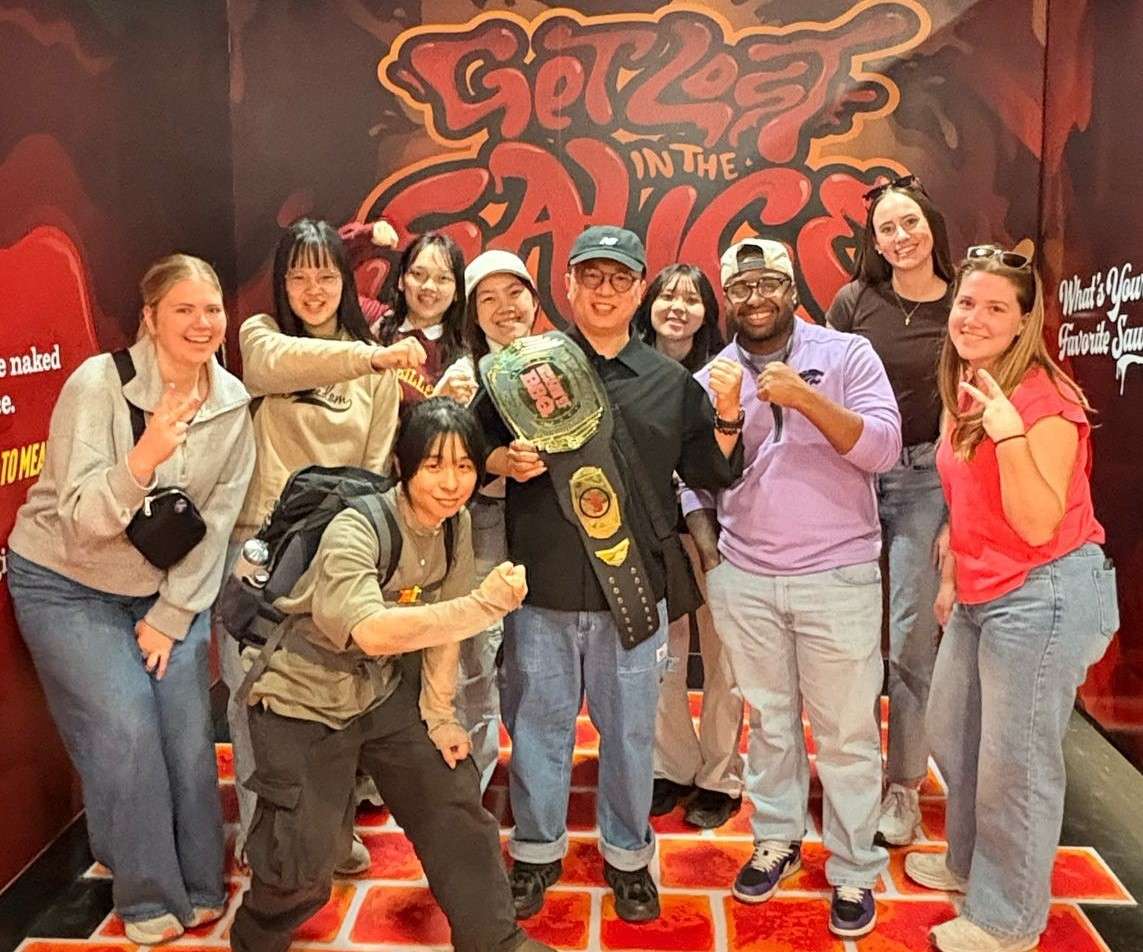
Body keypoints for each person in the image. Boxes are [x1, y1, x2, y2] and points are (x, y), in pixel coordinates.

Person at [476, 226, 745, 923]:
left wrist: (727, 415)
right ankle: (535, 852)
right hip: (539, 588)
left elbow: (713, 473)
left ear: (638, 289)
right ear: (566, 284)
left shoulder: (669, 382)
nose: (604, 290)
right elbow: (468, 453)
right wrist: (500, 463)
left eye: (618, 279)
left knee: (630, 734)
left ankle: (629, 858)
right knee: (537, 727)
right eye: (590, 277)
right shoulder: (522, 368)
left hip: (633, 595)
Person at [228, 397, 553, 952]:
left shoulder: (457, 525)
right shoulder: (357, 529)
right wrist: (484, 606)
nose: (451, 483)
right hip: (301, 702)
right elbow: (371, 630)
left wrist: (441, 715)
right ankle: (255, 936)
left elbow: (442, 632)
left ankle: (494, 940)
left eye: (465, 466)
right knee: (305, 863)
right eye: (434, 465)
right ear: (403, 466)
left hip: (379, 694)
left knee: (453, 804)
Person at [7, 254, 255, 945]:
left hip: (161, 593)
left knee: (182, 725)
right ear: (150, 317)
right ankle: (146, 891)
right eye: (184, 309)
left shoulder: (232, 402)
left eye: (211, 309)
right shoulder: (99, 384)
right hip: (64, 584)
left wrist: (171, 617)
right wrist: (144, 455)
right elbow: (81, 518)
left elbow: (216, 525)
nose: (202, 323)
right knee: (124, 726)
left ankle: (199, 881)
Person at [681, 238, 900, 939]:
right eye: (740, 288)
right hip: (745, 576)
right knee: (770, 722)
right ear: (728, 298)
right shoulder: (711, 375)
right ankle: (774, 837)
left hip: (836, 573)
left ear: (790, 286)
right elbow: (691, 477)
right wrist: (714, 556)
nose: (754, 298)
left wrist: (802, 396)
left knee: (845, 733)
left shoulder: (846, 355)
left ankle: (852, 867)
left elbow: (882, 449)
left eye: (767, 283)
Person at [904, 245, 1118, 952]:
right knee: (954, 734)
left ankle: (1008, 918)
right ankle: (969, 865)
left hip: (1046, 593)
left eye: (997, 307)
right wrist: (949, 581)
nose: (975, 316)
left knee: (1014, 764)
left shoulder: (1042, 400)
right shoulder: (966, 379)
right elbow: (963, 504)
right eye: (967, 302)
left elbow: (1034, 521)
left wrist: (1011, 434)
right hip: (980, 589)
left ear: (1026, 320)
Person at [222, 218, 425, 870]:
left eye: (325, 274)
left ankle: (331, 830)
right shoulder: (261, 338)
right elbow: (272, 366)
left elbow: (371, 476)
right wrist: (372, 355)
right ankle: (266, 834)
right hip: (259, 548)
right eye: (298, 274)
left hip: (334, 553)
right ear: (282, 282)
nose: (312, 288)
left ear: (345, 280)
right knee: (256, 694)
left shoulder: (378, 373)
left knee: (335, 697)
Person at [825, 174, 955, 846]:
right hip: (851, 478)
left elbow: (978, 413)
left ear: (931, 224)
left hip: (926, 482)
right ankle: (845, 768)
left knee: (908, 637)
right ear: (872, 242)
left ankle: (902, 785)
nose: (900, 238)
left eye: (909, 223)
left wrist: (957, 521)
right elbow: (824, 392)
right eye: (886, 229)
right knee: (842, 632)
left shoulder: (963, 302)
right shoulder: (854, 302)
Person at [633, 265, 744, 828]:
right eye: (667, 296)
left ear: (707, 312)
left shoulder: (726, 372)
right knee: (662, 655)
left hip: (719, 535)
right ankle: (670, 765)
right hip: (647, 535)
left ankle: (721, 774)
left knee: (725, 654)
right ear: (648, 302)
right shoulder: (623, 366)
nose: (678, 307)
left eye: (692, 299)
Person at [439, 249, 541, 790]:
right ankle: (471, 782)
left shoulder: (560, 361)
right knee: (475, 654)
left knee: (535, 661)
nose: (504, 307)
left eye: (514, 293)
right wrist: (494, 460)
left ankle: (535, 779)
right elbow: (437, 456)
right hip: (483, 525)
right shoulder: (463, 376)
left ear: (534, 299)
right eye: (488, 298)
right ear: (473, 314)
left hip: (547, 528)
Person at [376, 231, 468, 405]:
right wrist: (370, 234)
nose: (429, 287)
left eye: (442, 278)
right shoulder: (375, 325)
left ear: (457, 291)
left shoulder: (462, 360)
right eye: (418, 274)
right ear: (401, 280)